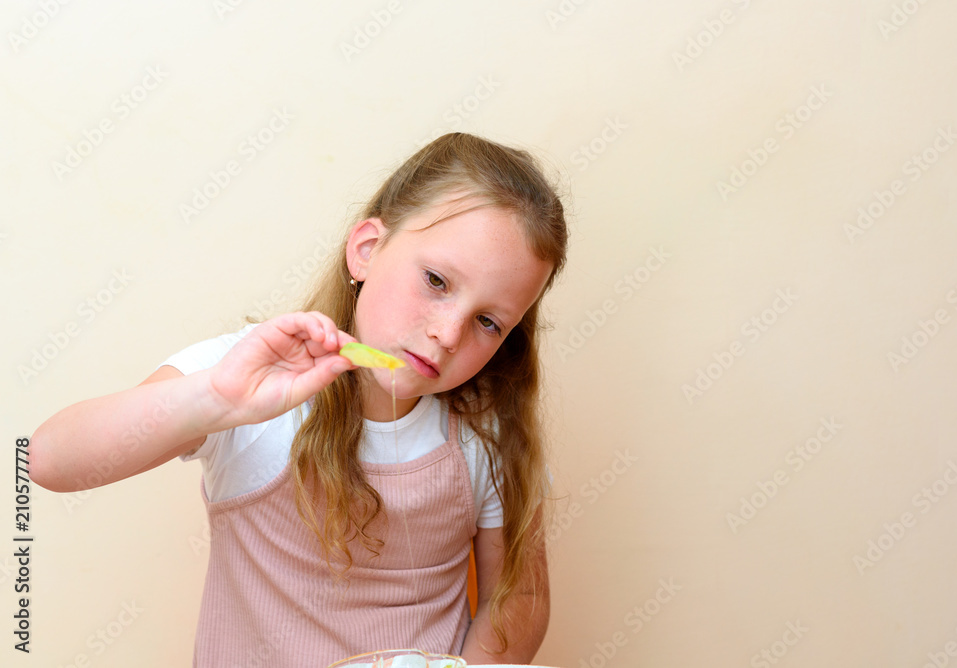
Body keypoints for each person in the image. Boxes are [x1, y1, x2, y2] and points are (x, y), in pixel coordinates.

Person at [30, 132, 570, 667]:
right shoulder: (248, 377)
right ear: (366, 251)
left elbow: (519, 597)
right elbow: (48, 459)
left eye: (488, 322)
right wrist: (215, 399)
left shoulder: (486, 433)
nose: (449, 333)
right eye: (435, 280)